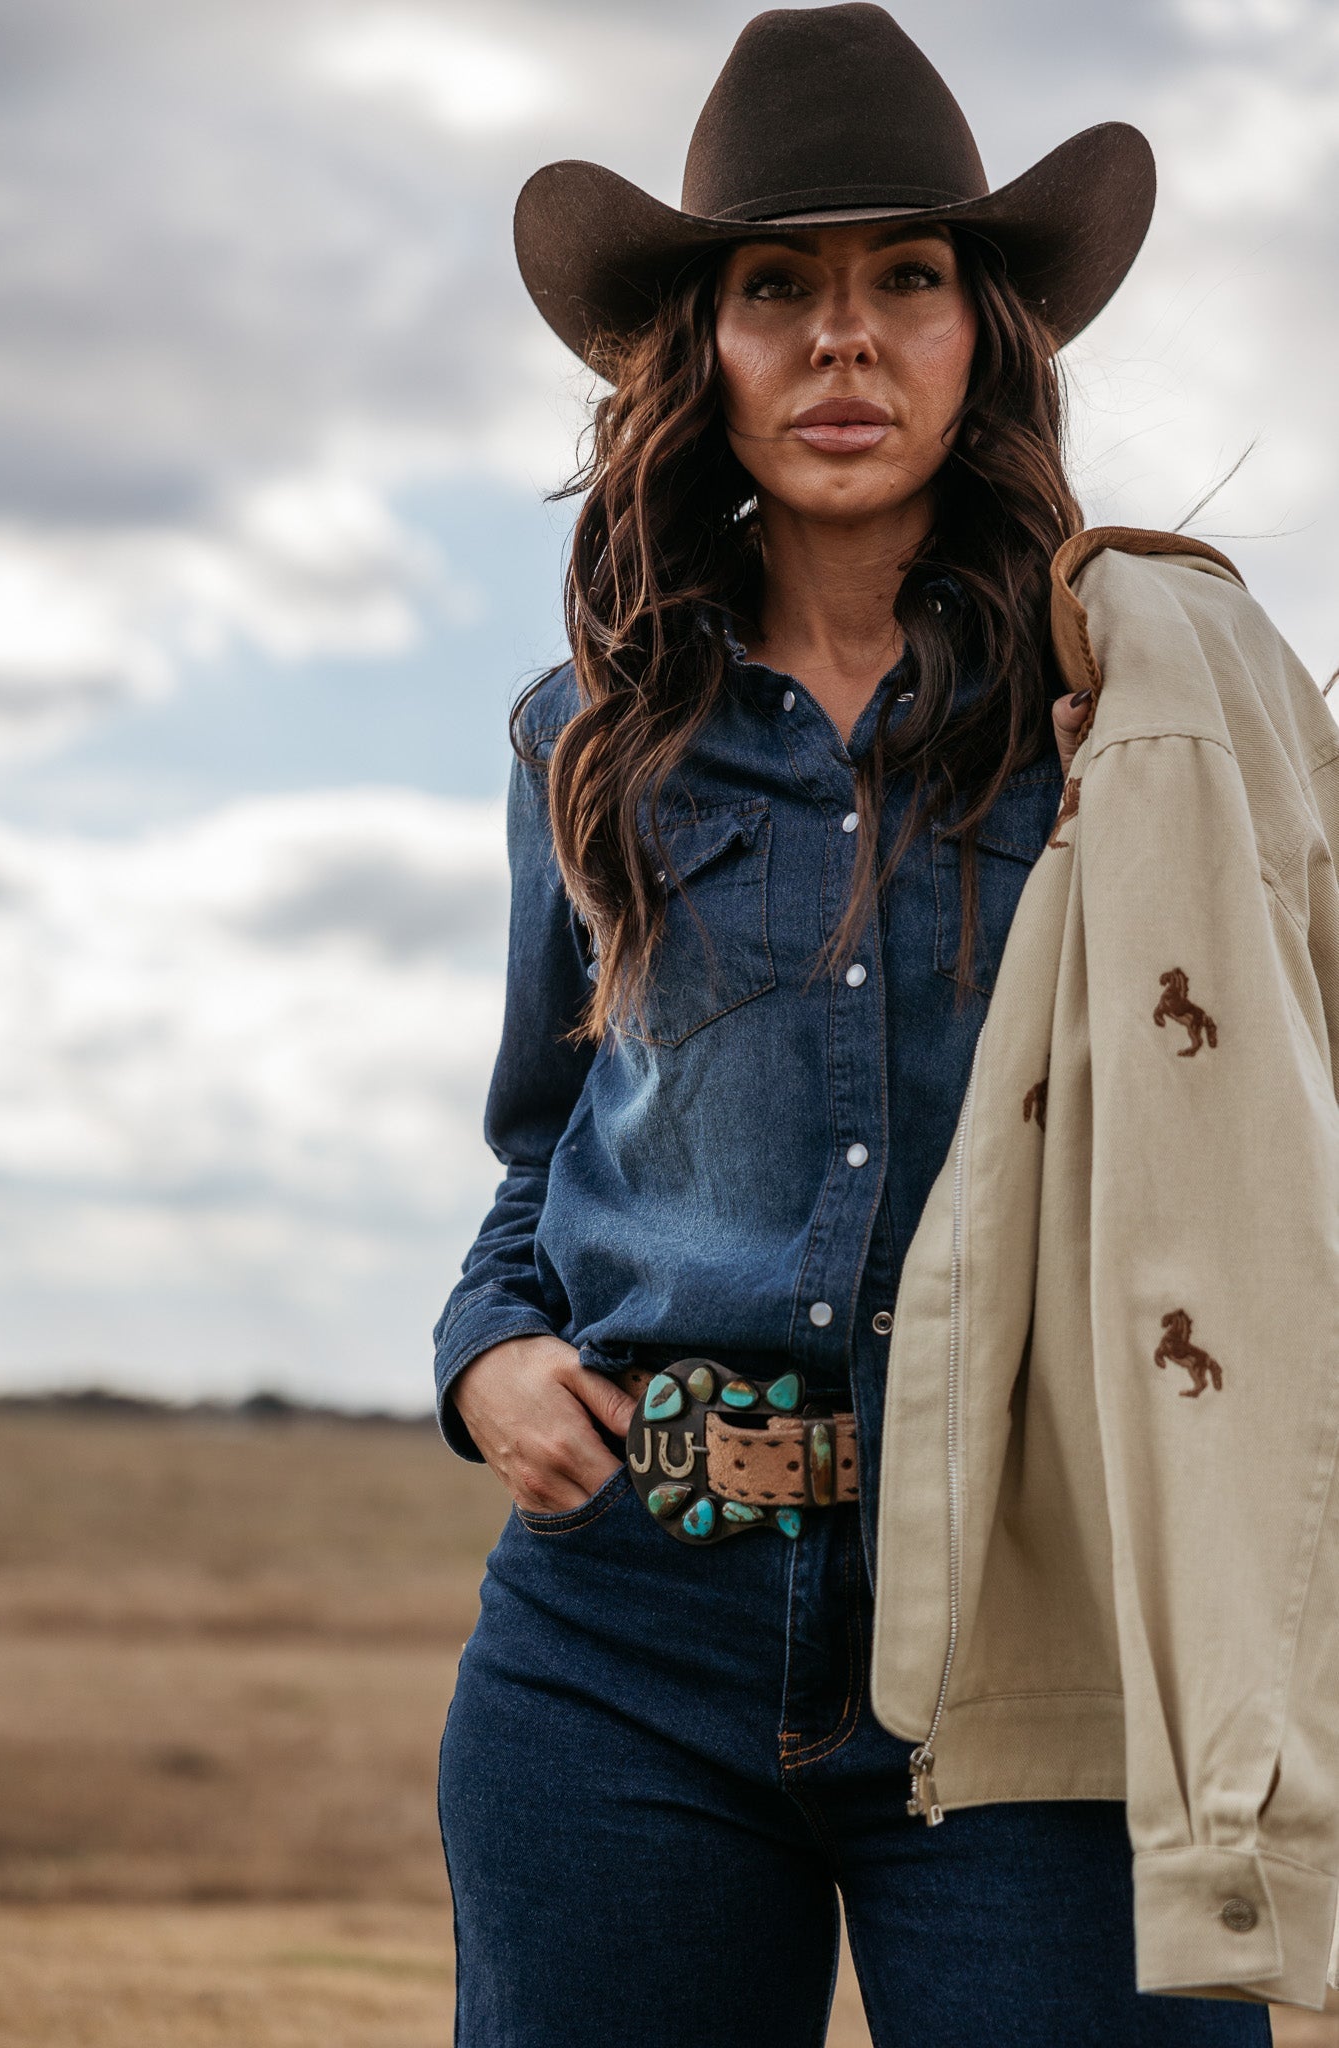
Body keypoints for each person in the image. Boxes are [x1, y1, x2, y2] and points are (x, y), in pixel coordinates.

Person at [432, 7, 1284, 2042]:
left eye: (904, 278)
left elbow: (1264, 1095)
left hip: (1041, 1623)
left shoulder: (1132, 706)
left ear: (981, 332)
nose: (841, 341)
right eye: (774, 289)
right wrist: (484, 1353)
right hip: (621, 1630)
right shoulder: (584, 740)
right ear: (695, 352)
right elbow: (548, 1140)